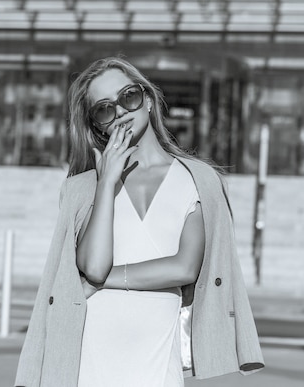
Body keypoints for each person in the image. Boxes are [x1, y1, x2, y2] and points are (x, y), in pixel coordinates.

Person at [14, 56, 264, 387]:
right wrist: (106, 183)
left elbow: (185, 268)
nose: (120, 111)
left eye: (128, 96)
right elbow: (94, 266)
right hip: (87, 357)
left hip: (158, 361)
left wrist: (101, 283)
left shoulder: (198, 180)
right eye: (104, 108)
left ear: (147, 99)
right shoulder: (83, 188)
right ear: (96, 125)